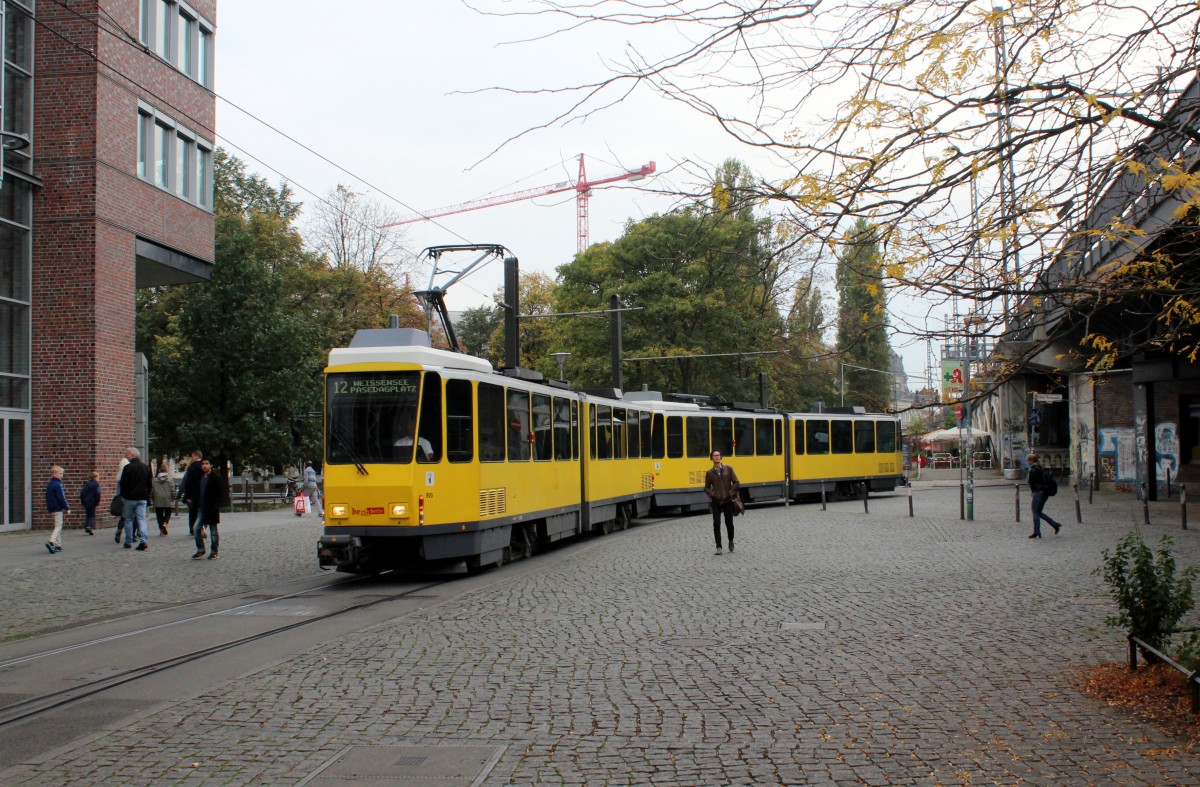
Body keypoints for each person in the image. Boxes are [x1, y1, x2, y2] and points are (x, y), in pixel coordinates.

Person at [704, 450, 740, 555]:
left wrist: (730, 493)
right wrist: (712, 494)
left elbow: (736, 482)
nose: (716, 457)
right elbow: (706, 487)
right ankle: (718, 547)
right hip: (716, 501)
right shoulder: (709, 473)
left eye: (718, 455)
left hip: (727, 500)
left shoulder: (728, 469)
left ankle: (730, 540)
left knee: (729, 523)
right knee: (716, 523)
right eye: (714, 456)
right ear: (711, 458)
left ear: (721, 457)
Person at [118, 447, 153, 551]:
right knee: (141, 519)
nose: (126, 456)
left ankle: (128, 541)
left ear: (132, 455)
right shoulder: (145, 467)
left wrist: (123, 495)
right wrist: (147, 495)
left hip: (130, 498)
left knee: (129, 520)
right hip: (142, 498)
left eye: (127, 454)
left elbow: (123, 484)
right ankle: (143, 540)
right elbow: (149, 483)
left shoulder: (128, 468)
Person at [193, 458, 226, 560]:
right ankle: (200, 549)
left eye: (207, 464)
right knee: (196, 528)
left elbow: (220, 493)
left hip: (212, 508)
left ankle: (214, 551)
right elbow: (196, 491)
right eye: (203, 464)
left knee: (213, 530)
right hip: (201, 508)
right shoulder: (199, 477)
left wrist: (216, 506)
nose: (204, 466)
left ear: (211, 465)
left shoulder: (216, 478)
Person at [1026, 453, 1062, 538]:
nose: (1028, 462)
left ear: (1031, 461)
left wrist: (1033, 491)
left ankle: (1037, 531)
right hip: (1044, 492)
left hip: (1039, 492)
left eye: (1028, 460)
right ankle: (1055, 525)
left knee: (1035, 512)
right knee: (1038, 512)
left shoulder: (1033, 469)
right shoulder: (1040, 467)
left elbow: (1031, 481)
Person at [177, 450, 204, 536]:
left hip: (193, 494)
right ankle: (201, 527)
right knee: (202, 511)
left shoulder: (191, 468)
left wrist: (186, 495)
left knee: (193, 512)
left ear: (196, 456)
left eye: (192, 456)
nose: (191, 458)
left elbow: (187, 482)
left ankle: (193, 528)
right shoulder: (205, 466)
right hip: (203, 493)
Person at [45, 465, 69, 554]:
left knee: (57, 525)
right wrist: (66, 507)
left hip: (51, 508)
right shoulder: (58, 485)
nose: (62, 475)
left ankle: (58, 545)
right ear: (55, 474)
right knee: (58, 526)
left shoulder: (50, 484)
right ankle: (51, 541)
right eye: (60, 473)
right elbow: (61, 497)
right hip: (57, 508)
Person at [152, 465, 175, 536]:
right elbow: (172, 490)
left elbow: (152, 490)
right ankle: (165, 523)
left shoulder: (154, 480)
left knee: (159, 514)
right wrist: (173, 497)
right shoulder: (170, 480)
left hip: (158, 498)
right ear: (166, 471)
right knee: (168, 512)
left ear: (159, 471)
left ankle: (161, 530)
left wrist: (152, 497)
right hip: (167, 498)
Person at [113, 453, 129, 544]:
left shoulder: (119, 478)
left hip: (121, 499)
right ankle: (130, 535)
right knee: (131, 518)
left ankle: (118, 530)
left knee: (123, 518)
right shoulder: (127, 476)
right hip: (128, 498)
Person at [80, 471, 101, 535]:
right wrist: (97, 502)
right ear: (96, 477)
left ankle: (87, 526)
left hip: (86, 501)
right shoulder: (96, 485)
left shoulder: (86, 484)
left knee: (88, 514)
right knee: (92, 515)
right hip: (93, 501)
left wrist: (83, 501)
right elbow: (98, 494)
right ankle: (90, 526)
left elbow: (82, 494)